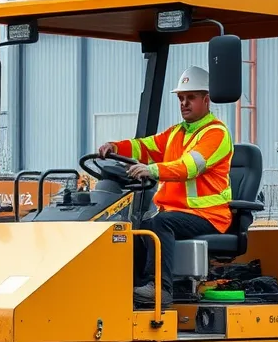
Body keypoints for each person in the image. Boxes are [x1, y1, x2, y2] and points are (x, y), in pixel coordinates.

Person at [97, 65, 234, 309]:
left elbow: (189, 167)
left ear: (206, 99)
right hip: (176, 213)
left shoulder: (216, 134)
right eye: (181, 98)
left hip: (209, 216)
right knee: (135, 227)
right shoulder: (176, 133)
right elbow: (145, 147)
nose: (184, 103)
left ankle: (159, 288)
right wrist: (116, 147)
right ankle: (134, 286)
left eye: (190, 97)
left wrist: (152, 170)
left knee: (159, 224)